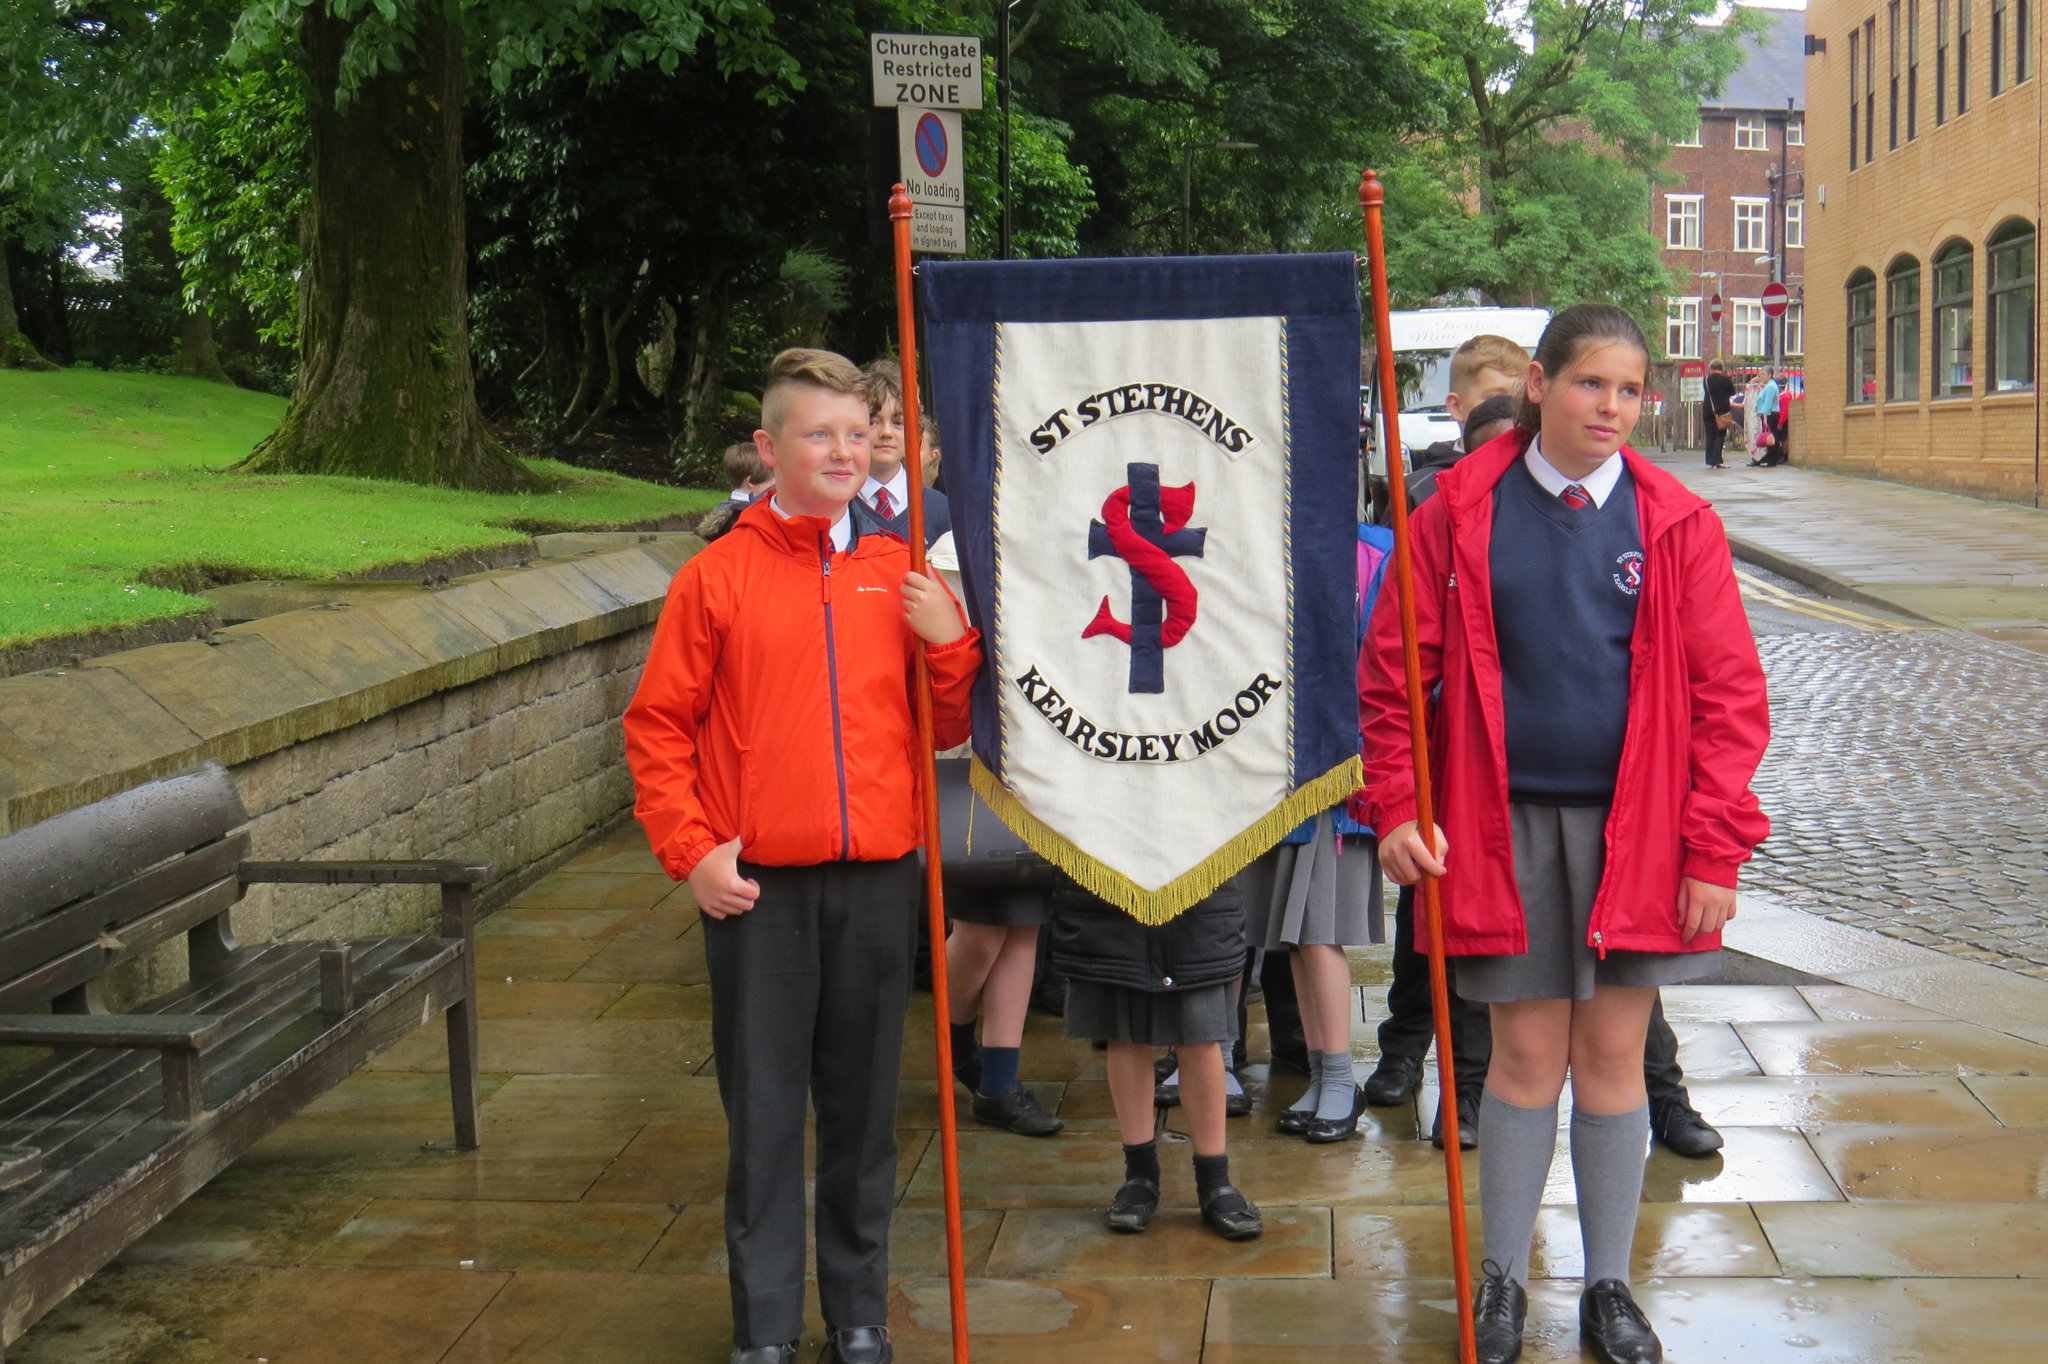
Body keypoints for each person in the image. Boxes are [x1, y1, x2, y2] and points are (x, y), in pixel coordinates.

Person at [1360, 304, 1770, 1364]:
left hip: (1639, 827)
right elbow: (1391, 676)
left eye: (1629, 389)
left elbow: (1728, 696)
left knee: (1611, 1058)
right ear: (1537, 386)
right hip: (1501, 826)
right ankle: (1500, 1274)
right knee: (1523, 1058)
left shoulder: (1673, 518)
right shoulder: (1455, 512)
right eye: (1591, 383)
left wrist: (1712, 849)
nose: (1611, 408)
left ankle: (1606, 1285)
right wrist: (1398, 804)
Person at [624, 347, 983, 1364]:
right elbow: (656, 726)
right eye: (817, 432)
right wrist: (690, 853)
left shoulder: (898, 566)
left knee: (864, 1112)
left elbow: (944, 722)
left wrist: (948, 639)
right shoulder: (715, 577)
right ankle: (766, 1323)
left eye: (856, 432)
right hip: (755, 889)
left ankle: (859, 1311)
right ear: (768, 445)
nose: (842, 450)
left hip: (877, 877)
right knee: (767, 1116)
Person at [1242, 521, 1394, 1143]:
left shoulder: (1373, 551)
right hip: (1272, 776)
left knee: (1316, 935)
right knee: (1295, 938)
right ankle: (1323, 1076)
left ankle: (1339, 1080)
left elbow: (1390, 669)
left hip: (1337, 775)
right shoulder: (1261, 539)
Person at [1052, 878, 1264, 1242]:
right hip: (1110, 882)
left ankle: (1215, 1180)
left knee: (1200, 1036)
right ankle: (1139, 1175)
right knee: (1124, 1033)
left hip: (1199, 883)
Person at [1404, 334, 1530, 506]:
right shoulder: (1419, 490)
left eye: (1520, 400)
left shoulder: (1536, 479)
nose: (1510, 410)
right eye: (1495, 398)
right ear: (1456, 406)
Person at [861, 358, 952, 548]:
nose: (886, 433)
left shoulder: (940, 510)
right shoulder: (838, 508)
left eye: (898, 422)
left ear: (916, 432)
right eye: (873, 421)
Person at [697, 441, 776, 542]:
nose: (774, 487)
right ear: (750, 481)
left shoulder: (724, 512)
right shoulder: (746, 520)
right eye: (771, 482)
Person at [1747, 367, 1787, 467]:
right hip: (1770, 413)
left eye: (1763, 374)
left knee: (1771, 437)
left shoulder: (1770, 387)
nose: (1761, 376)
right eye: (1760, 374)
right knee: (1771, 436)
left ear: (1770, 375)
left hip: (1770, 414)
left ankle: (1772, 460)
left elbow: (1768, 403)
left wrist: (1765, 416)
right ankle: (1770, 458)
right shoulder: (1770, 385)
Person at [1701, 358, 1736, 469]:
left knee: (1710, 434)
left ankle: (1710, 460)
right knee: (1720, 435)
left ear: (1711, 368)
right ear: (1722, 368)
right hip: (1721, 410)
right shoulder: (1726, 379)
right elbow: (1732, 392)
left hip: (1707, 409)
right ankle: (1718, 461)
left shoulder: (1706, 379)